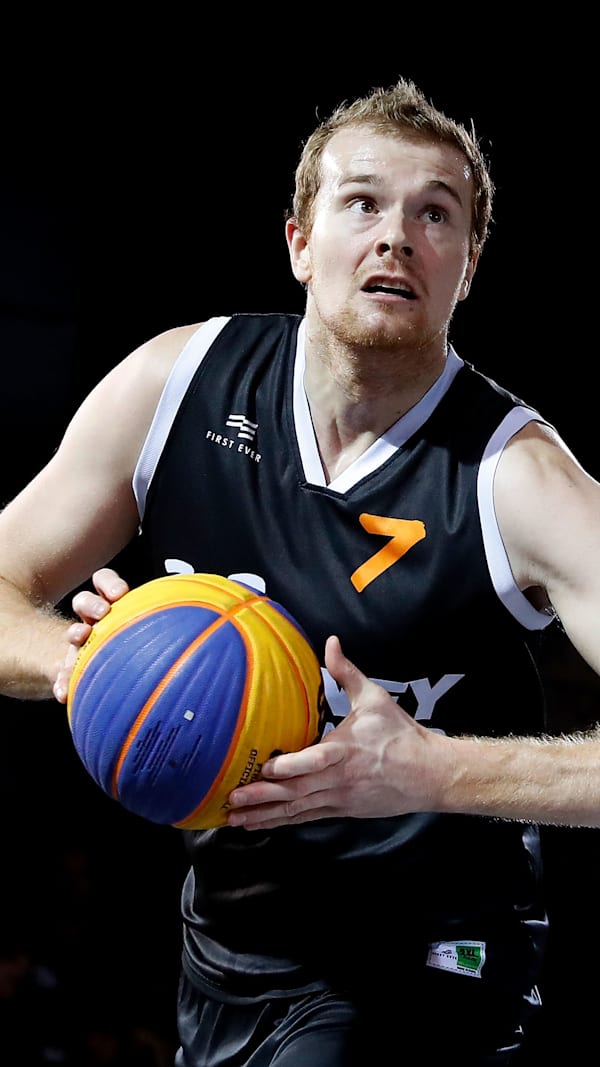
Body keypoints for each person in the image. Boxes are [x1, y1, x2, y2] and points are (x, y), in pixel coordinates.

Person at [1, 76, 599, 1066]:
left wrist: (436, 770)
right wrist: (85, 658)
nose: (396, 235)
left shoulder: (517, 477)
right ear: (299, 243)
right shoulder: (177, 385)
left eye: (435, 213)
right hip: (229, 947)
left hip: (437, 954)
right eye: (362, 201)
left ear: (467, 268)